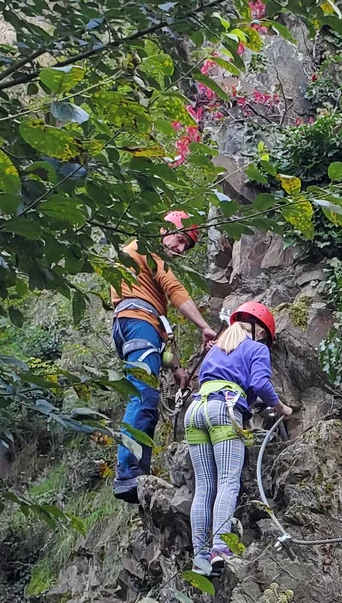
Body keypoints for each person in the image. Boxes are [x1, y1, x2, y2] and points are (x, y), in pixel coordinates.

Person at [108, 210, 218, 503]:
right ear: (162, 230)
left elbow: (161, 327)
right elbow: (175, 290)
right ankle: (128, 473)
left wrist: (177, 370)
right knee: (143, 396)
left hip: (136, 326)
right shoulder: (147, 248)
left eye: (186, 245)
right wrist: (205, 328)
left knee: (146, 398)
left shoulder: (141, 273)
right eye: (180, 240)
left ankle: (134, 471)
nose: (181, 249)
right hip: (138, 324)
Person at [185, 301, 290, 576]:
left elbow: (231, 384)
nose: (264, 341)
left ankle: (200, 558)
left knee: (204, 487)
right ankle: (220, 548)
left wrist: (251, 402)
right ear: (257, 330)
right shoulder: (256, 349)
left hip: (195, 411)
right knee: (227, 482)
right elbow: (260, 384)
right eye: (264, 336)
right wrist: (281, 408)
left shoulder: (216, 350)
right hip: (223, 410)